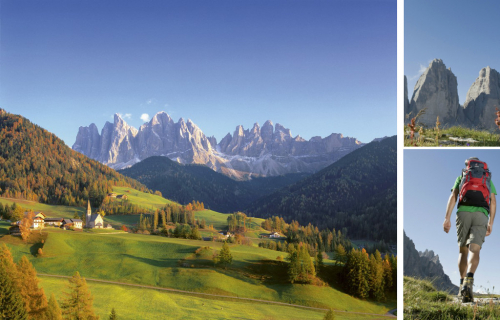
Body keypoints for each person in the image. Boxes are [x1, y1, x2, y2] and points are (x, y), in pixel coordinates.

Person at [443, 157, 496, 303]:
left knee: (463, 250)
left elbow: (453, 196)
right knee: (475, 249)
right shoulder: (487, 179)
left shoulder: (462, 177)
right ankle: (469, 280)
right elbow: (493, 201)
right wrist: (491, 222)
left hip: (463, 212)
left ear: (468, 166)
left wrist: (447, 218)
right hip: (482, 215)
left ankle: (461, 286)